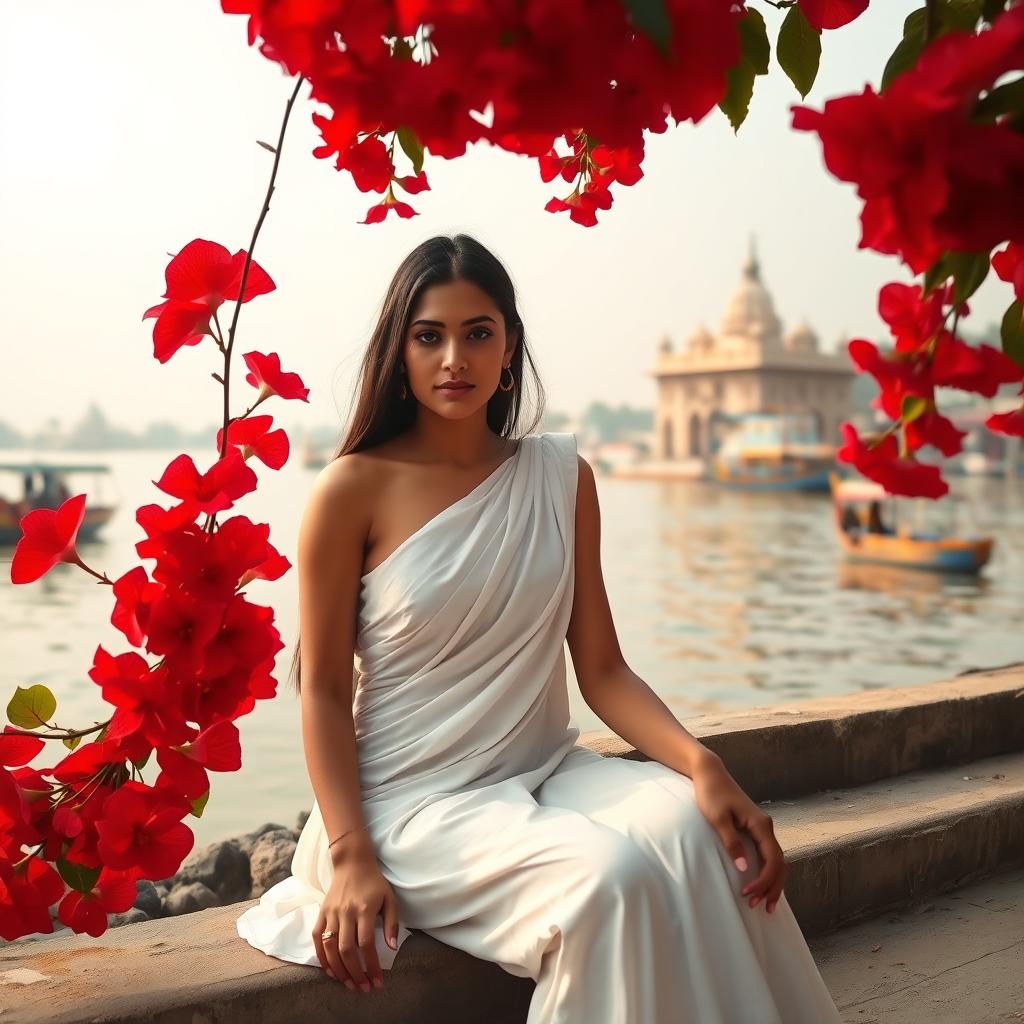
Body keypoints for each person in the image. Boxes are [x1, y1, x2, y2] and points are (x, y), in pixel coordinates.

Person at [236, 234, 843, 1023]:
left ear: (509, 343)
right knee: (607, 881)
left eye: (478, 333)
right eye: (430, 336)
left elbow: (603, 669)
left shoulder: (559, 477)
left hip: (543, 769)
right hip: (409, 803)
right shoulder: (351, 489)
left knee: (701, 840)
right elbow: (318, 690)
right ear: (401, 348)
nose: (455, 358)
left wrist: (702, 763)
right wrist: (351, 854)